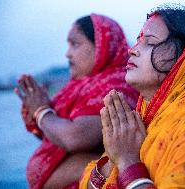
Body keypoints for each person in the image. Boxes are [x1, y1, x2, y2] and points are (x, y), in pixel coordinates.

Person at [80, 5, 185, 189]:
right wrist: (112, 158)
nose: (132, 50)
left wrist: (126, 161)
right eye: (138, 40)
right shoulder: (139, 121)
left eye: (150, 41)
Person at [15, 13, 139, 189]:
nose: (67, 53)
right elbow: (57, 135)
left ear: (102, 47)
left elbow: (74, 137)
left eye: (75, 44)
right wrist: (38, 111)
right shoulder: (80, 85)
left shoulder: (116, 85)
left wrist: (41, 111)